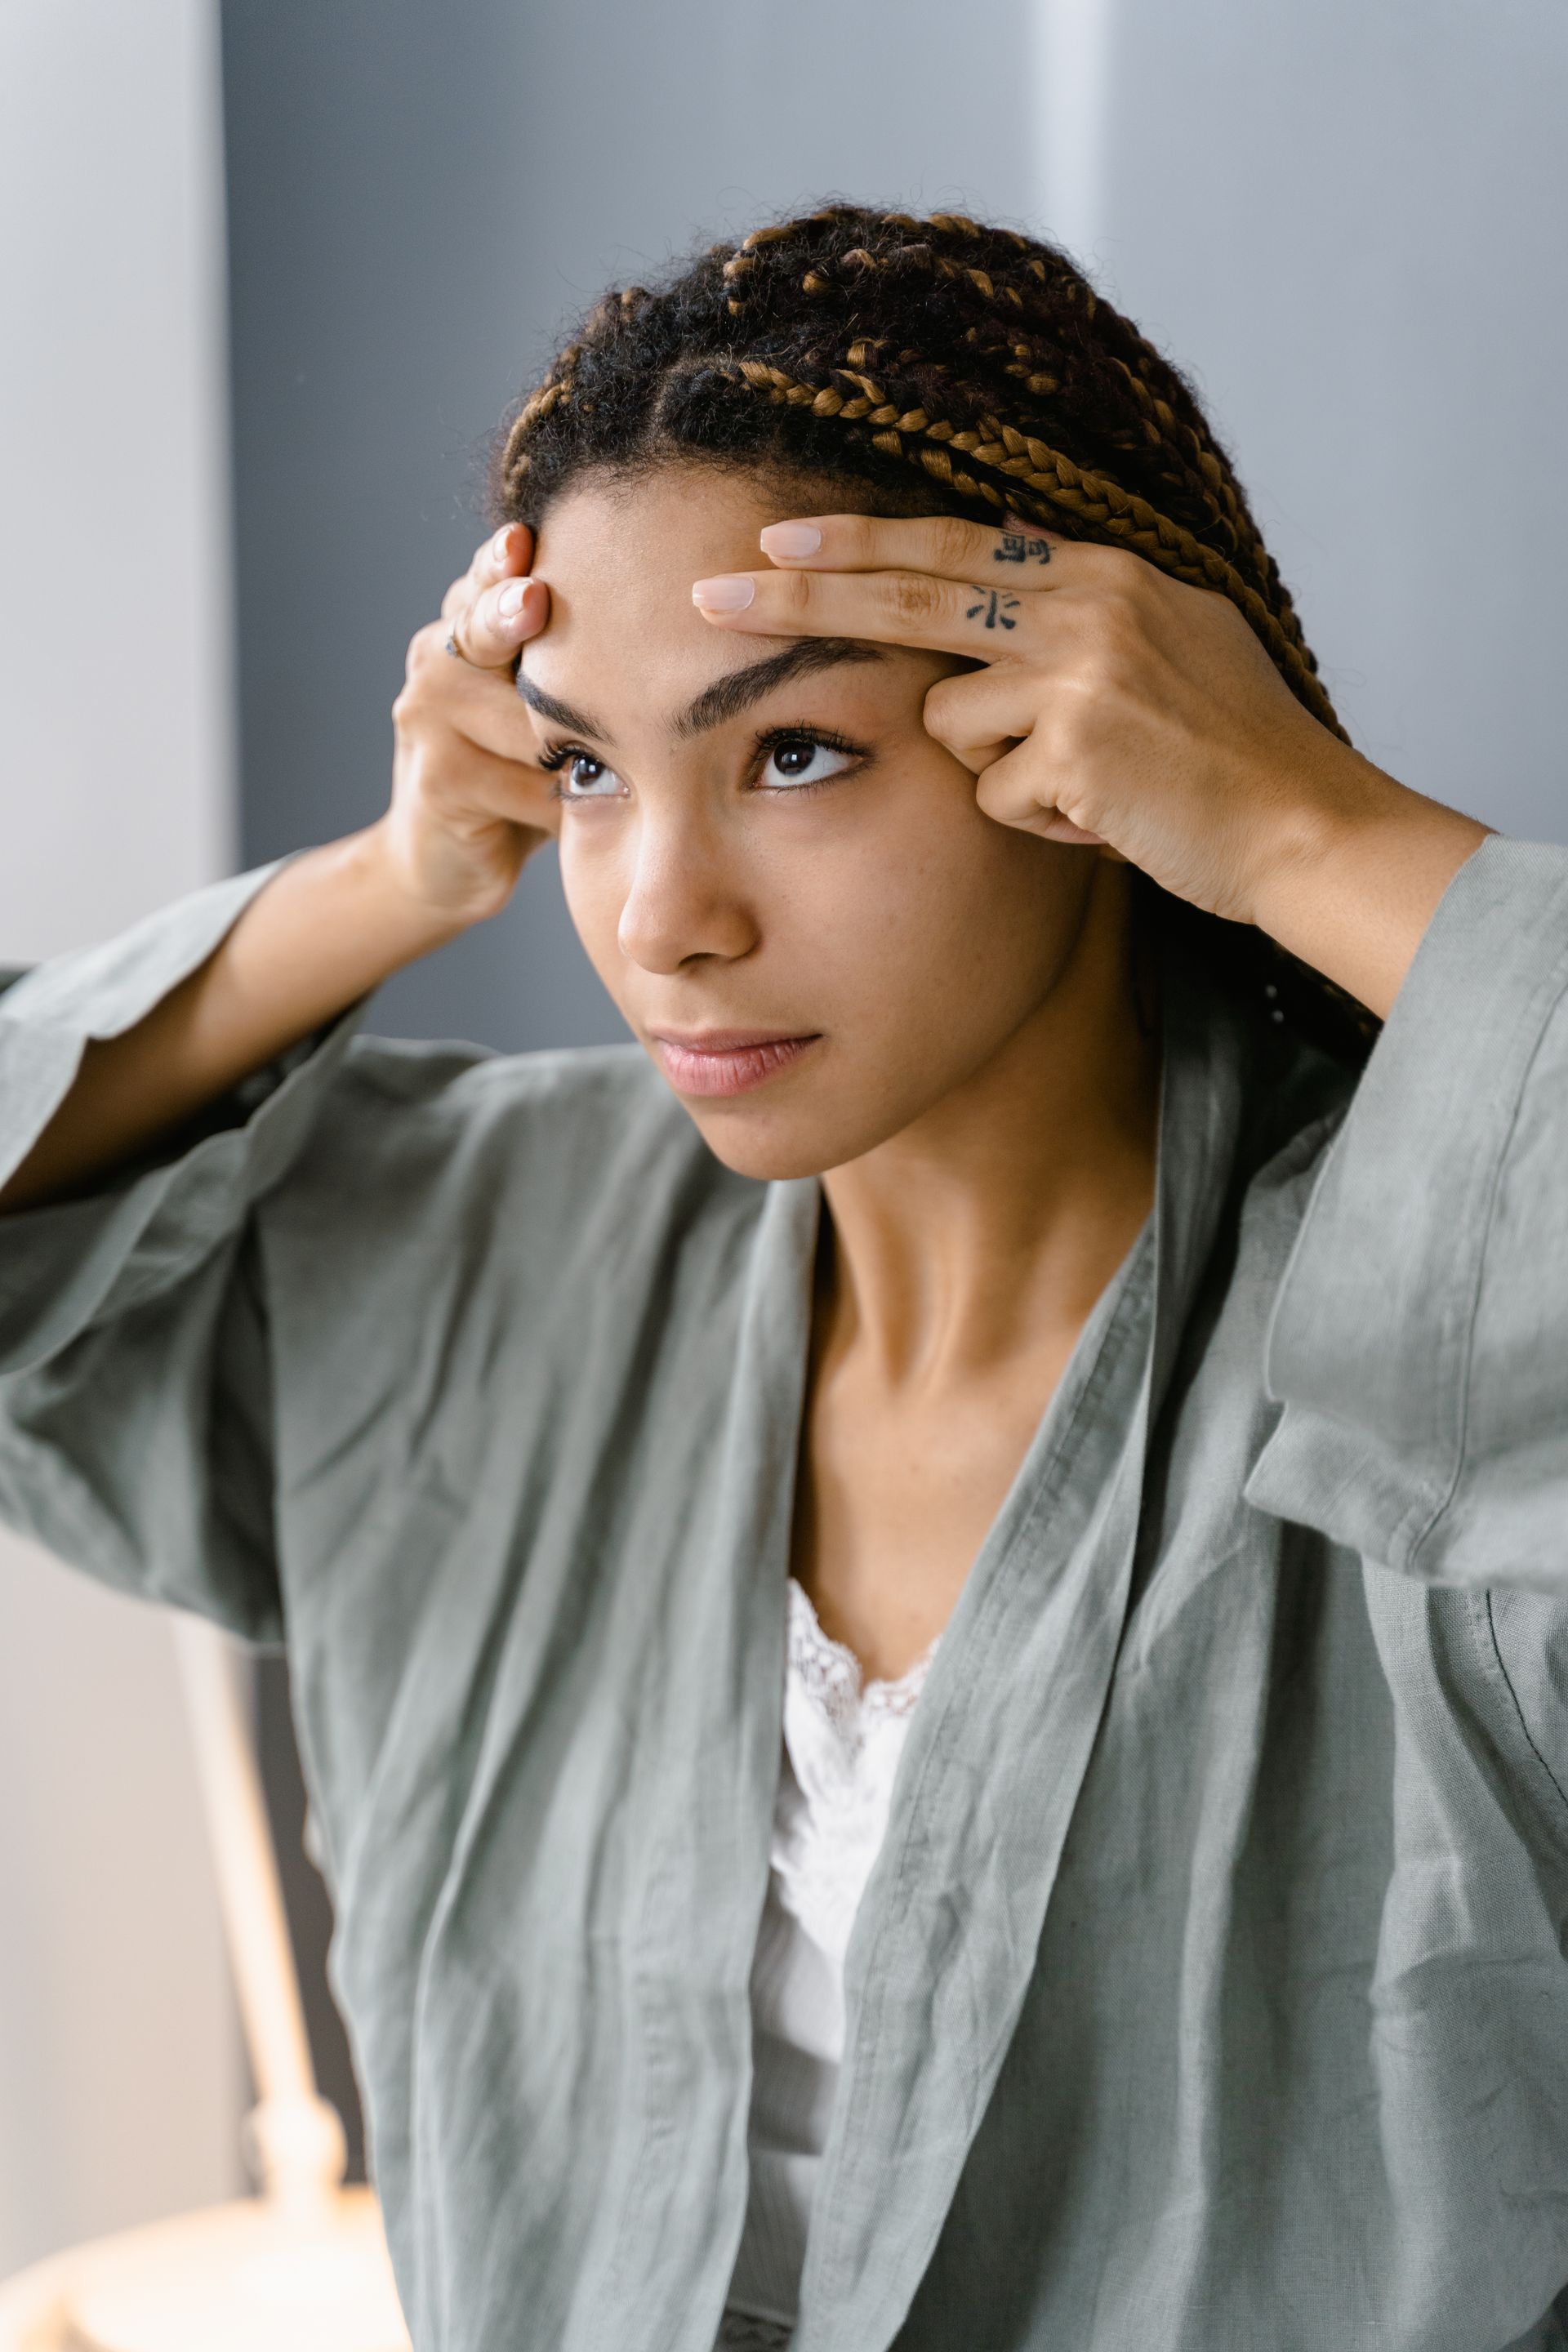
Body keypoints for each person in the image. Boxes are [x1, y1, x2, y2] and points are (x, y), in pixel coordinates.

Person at [0, 203, 1564, 2352]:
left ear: (1077, 730)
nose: (660, 915)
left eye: (794, 753)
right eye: (584, 772)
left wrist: (1296, 820)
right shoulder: (480, 1268)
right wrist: (387, 880)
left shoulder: (1448, 1317)